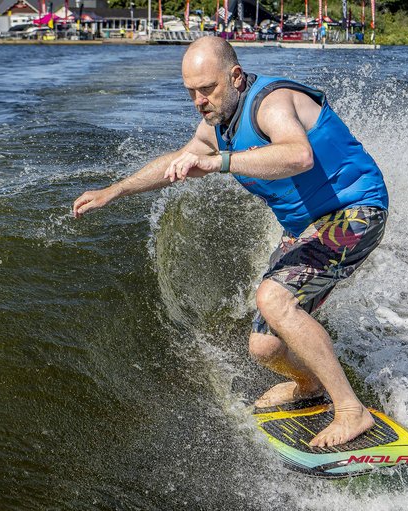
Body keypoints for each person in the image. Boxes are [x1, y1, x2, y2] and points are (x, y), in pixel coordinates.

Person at [72, 36, 388, 448]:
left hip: (356, 211)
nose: (200, 100)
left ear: (235, 76)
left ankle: (351, 410)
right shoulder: (217, 127)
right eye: (191, 92)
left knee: (273, 299)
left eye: (208, 88)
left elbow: (298, 156)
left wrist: (218, 162)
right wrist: (114, 191)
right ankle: (309, 383)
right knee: (265, 347)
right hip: (305, 230)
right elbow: (176, 163)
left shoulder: (271, 102)